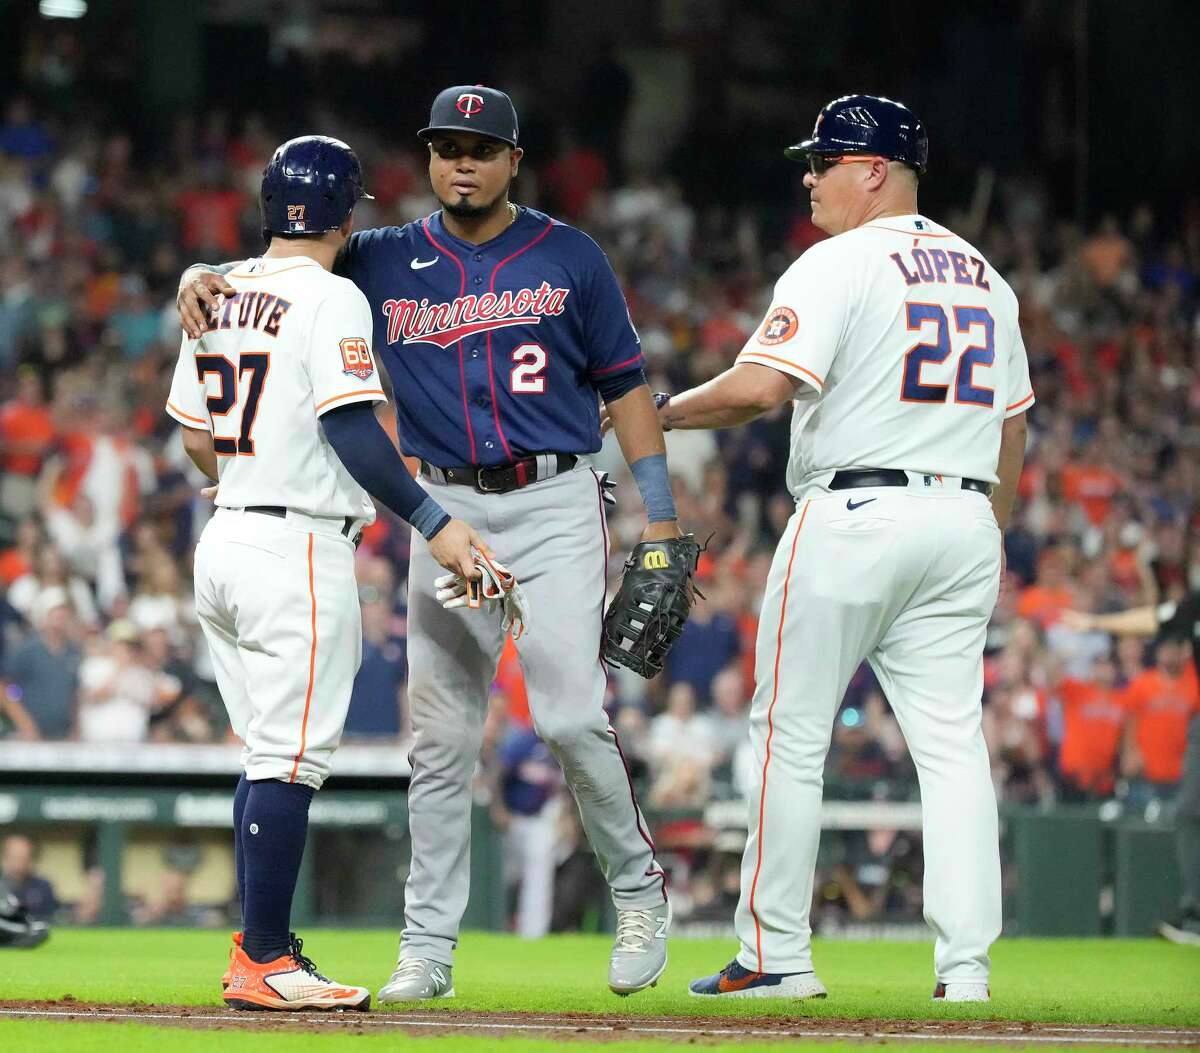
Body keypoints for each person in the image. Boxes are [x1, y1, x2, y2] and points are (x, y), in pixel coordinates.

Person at [177, 85, 680, 1002]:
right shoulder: (380, 255)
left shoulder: (571, 255)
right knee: (439, 743)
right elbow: (286, 262)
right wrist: (195, 276)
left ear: (513, 161)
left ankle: (640, 891)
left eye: (481, 148)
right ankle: (428, 946)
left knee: (569, 716)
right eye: (447, 145)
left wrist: (663, 511)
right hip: (439, 505)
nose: (462, 161)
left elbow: (628, 388)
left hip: (554, 498)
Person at [640, 95, 1033, 1001]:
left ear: (874, 171)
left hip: (856, 512)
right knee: (952, 748)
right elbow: (1014, 427)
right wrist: (989, 531)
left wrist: (659, 412)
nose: (808, 177)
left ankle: (776, 954)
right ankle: (965, 970)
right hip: (964, 515)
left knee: (788, 736)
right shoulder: (986, 275)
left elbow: (759, 389)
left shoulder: (840, 261)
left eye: (824, 161)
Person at [166, 134, 485, 1012]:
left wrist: (254, 468)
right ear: (345, 219)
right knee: (291, 759)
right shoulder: (334, 294)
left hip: (225, 538)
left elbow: (197, 439)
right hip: (295, 546)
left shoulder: (213, 291)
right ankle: (266, 955)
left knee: (266, 755)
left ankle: (258, 952)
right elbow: (349, 429)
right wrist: (433, 518)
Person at [1065, 592, 1200, 946]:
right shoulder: (1194, 603)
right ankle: (1194, 914)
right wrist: (1095, 623)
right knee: (1187, 815)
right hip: (1165, 766)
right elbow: (1154, 616)